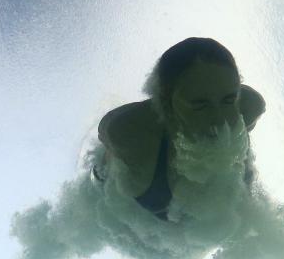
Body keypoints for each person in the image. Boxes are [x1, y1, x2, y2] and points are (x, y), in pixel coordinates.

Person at [94, 37, 266, 221]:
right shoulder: (129, 132)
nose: (219, 119)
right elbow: (100, 179)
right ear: (166, 103)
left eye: (229, 100)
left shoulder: (250, 107)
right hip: (144, 227)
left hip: (217, 224)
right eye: (200, 105)